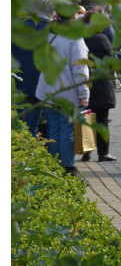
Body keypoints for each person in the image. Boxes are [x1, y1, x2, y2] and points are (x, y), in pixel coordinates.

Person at [35, 10, 90, 177]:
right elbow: (80, 68)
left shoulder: (49, 34)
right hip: (67, 91)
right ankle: (68, 168)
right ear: (74, 16)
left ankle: (55, 166)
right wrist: (84, 93)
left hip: (48, 89)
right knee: (67, 130)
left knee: (53, 129)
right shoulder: (75, 37)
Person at [12, 0, 54, 137]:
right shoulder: (53, 30)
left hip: (23, 84)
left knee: (26, 129)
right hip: (48, 85)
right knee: (52, 128)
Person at [81, 11, 118, 162]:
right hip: (101, 83)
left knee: (88, 117)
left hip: (86, 82)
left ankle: (86, 151)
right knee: (102, 120)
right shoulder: (102, 39)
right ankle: (103, 153)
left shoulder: (82, 38)